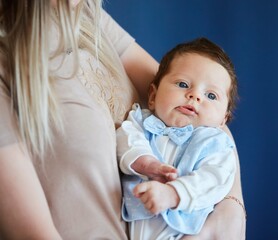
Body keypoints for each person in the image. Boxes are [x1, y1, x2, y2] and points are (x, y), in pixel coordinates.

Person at [0, 0, 245, 239]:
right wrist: (144, 162)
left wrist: (230, 210)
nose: (195, 96)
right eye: (186, 87)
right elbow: (33, 234)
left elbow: (199, 112)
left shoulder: (83, 10)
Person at [117, 37, 239, 240]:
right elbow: (125, 137)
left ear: (222, 120)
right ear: (153, 96)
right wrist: (146, 162)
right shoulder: (142, 122)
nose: (195, 95)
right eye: (183, 84)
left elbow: (214, 179)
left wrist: (174, 193)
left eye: (210, 95)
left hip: (185, 233)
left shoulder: (215, 145)